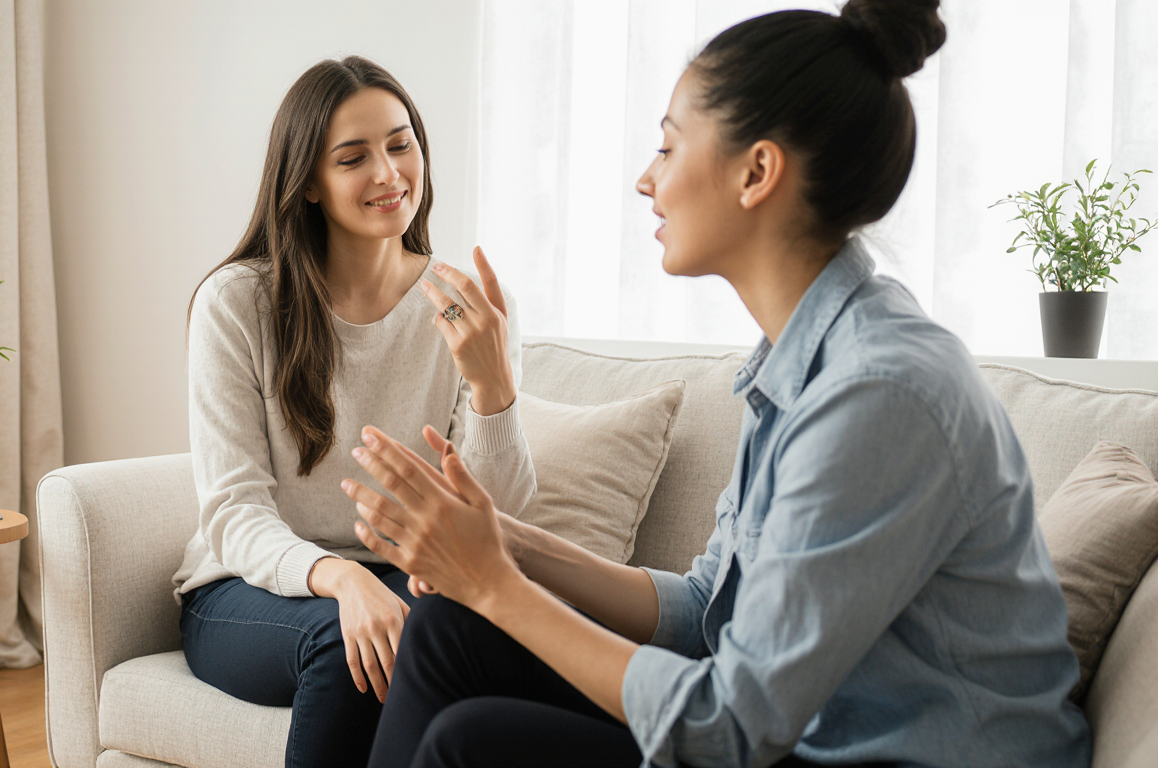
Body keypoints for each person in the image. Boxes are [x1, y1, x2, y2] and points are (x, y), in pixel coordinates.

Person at [340, 2, 1092, 766]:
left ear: (757, 172)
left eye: (668, 148)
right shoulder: (796, 358)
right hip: (799, 734)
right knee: (444, 633)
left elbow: (732, 725)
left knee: (472, 744)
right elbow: (707, 611)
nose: (645, 179)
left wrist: (494, 581)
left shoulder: (879, 394)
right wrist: (509, 544)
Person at [170, 55, 535, 768]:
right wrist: (345, 580)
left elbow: (500, 520)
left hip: (403, 580)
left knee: (468, 634)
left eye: (401, 144)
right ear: (307, 180)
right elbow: (234, 511)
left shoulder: (471, 308)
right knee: (352, 643)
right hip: (250, 587)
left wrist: (493, 389)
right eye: (353, 157)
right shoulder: (238, 303)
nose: (388, 173)